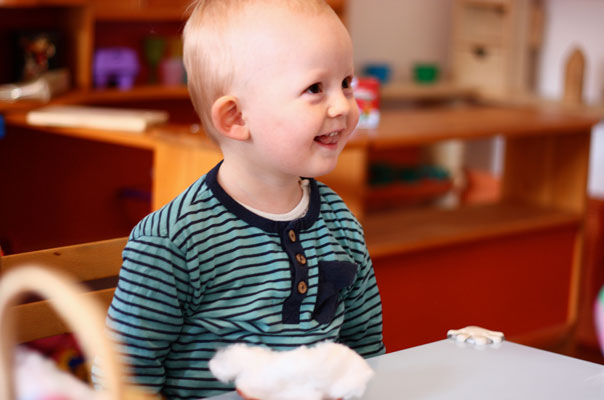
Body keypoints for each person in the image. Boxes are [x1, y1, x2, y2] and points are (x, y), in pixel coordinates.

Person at [98, 0, 385, 398]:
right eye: (316, 88)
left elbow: (367, 350)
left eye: (347, 83)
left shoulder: (341, 224)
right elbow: (122, 376)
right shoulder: (175, 240)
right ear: (235, 117)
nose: (343, 106)